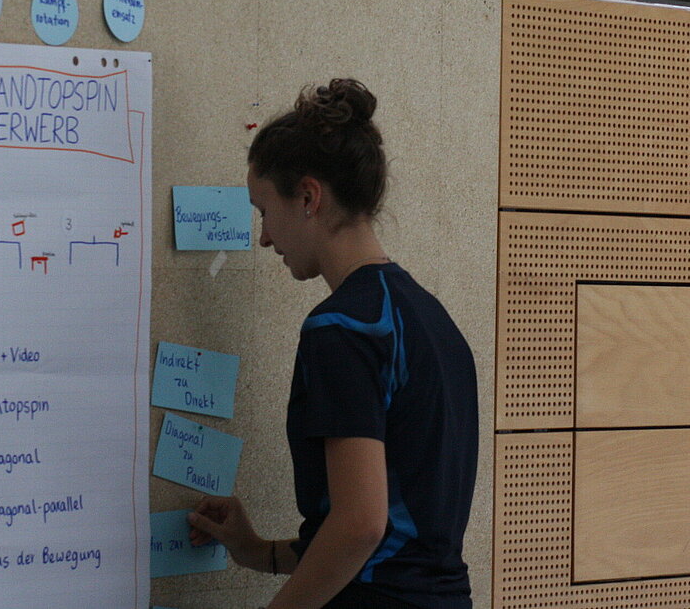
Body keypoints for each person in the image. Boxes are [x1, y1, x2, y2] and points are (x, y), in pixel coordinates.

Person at [187, 79, 478, 609]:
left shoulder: (342, 329)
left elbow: (361, 526)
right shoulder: (434, 321)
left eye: (263, 210)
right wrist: (258, 551)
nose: (264, 237)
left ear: (308, 197)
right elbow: (396, 538)